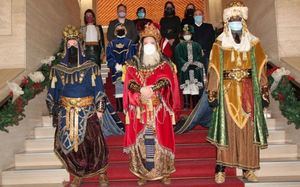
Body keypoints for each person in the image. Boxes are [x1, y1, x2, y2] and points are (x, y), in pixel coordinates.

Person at [46, 25, 123, 187]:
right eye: (69, 45)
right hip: (66, 113)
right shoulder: (57, 70)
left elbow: (99, 90)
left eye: (75, 44)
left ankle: (102, 173)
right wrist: (54, 110)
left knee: (95, 144)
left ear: (80, 45)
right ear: (65, 48)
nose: (72, 47)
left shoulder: (91, 67)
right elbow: (52, 92)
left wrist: (100, 109)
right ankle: (77, 174)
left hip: (88, 111)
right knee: (70, 146)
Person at [206, 1, 270, 184]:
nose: (236, 22)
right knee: (227, 131)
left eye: (238, 19)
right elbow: (215, 69)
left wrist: (264, 92)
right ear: (227, 23)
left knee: (248, 133)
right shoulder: (219, 44)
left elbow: (261, 69)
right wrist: (212, 92)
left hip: (249, 93)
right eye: (232, 20)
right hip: (227, 94)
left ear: (243, 22)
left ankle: (248, 169)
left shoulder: (254, 43)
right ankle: (221, 169)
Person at [123, 23, 180, 186]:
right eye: (146, 43)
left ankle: (164, 172)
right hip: (139, 109)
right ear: (141, 45)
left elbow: (168, 81)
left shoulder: (165, 63)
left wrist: (154, 89)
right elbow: (129, 82)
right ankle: (142, 173)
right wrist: (141, 92)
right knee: (142, 141)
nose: (149, 46)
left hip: (159, 109)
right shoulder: (132, 63)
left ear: (157, 45)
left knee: (160, 139)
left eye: (152, 43)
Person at [175, 24, 206, 109]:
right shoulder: (179, 46)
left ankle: (196, 105)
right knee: (186, 86)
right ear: (182, 35)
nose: (187, 36)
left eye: (188, 34)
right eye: (185, 34)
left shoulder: (197, 45)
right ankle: (186, 104)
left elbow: (200, 56)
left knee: (195, 87)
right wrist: (186, 64)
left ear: (191, 35)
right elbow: (178, 57)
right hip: (184, 70)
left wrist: (195, 63)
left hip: (195, 69)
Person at [106, 24, 136, 112]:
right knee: (118, 86)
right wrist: (115, 64)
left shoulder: (130, 42)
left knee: (128, 86)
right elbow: (109, 56)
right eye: (118, 28)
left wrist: (126, 65)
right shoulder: (111, 43)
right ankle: (120, 107)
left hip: (127, 68)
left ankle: (129, 105)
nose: (120, 29)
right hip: (116, 69)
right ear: (115, 31)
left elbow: (131, 55)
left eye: (122, 28)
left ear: (125, 30)